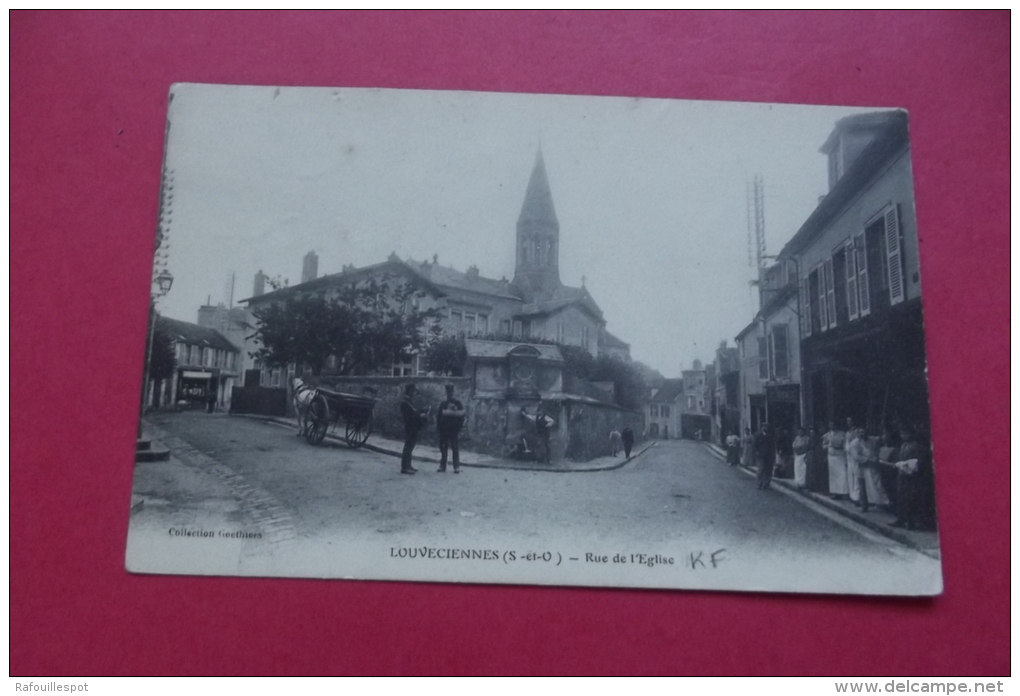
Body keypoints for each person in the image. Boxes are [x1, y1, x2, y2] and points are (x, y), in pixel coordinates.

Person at [399, 383, 429, 475]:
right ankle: (405, 467)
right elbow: (413, 414)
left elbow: (414, 412)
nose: (414, 393)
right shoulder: (405, 402)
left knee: (410, 446)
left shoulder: (408, 401)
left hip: (412, 426)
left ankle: (408, 465)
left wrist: (422, 411)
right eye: (413, 391)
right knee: (408, 446)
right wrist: (422, 412)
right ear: (410, 391)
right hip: (410, 426)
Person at [436, 384, 466, 474]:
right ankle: (442, 465)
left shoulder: (458, 403)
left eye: (451, 391)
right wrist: (439, 428)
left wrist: (458, 427)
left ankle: (456, 466)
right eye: (448, 392)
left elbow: (462, 416)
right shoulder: (443, 403)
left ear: (453, 392)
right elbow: (439, 416)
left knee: (455, 447)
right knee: (443, 447)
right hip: (444, 429)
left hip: (453, 429)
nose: (449, 393)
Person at [823, 421, 849, 499]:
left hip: (840, 457)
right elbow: (824, 444)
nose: (832, 426)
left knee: (842, 475)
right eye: (830, 425)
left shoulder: (842, 434)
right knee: (833, 476)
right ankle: (835, 493)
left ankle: (844, 493)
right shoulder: (827, 435)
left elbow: (845, 446)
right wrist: (827, 446)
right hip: (831, 457)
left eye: (833, 424)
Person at [754, 422, 776, 490]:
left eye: (766, 427)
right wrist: (756, 452)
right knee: (760, 469)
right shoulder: (757, 435)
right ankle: (759, 483)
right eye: (764, 427)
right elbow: (754, 445)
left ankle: (766, 483)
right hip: (760, 455)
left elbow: (773, 445)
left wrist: (773, 454)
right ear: (761, 427)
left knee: (768, 470)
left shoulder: (771, 435)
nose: (765, 428)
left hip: (769, 455)